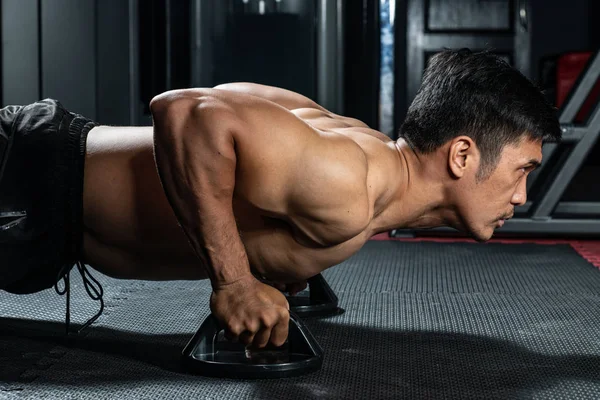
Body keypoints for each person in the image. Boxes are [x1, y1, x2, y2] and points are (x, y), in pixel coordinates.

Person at [0, 49, 561, 348]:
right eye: (521, 170)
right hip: (27, 179)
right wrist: (235, 280)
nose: (522, 195)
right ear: (462, 155)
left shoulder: (363, 159)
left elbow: (228, 101)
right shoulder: (347, 183)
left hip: (48, 202)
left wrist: (271, 250)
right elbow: (186, 111)